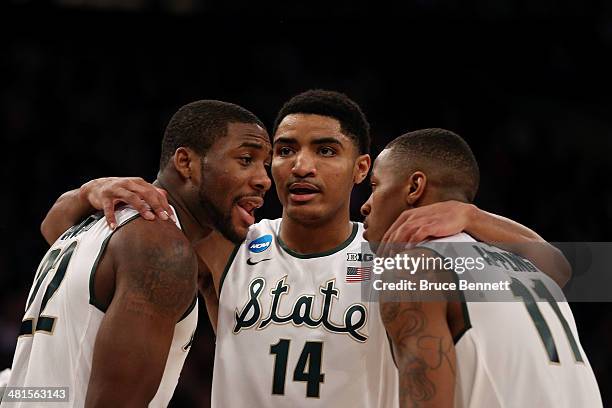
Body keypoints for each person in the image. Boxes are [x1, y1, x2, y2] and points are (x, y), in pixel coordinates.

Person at [40, 90, 570, 406]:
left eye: (326, 150)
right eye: (286, 150)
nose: (302, 165)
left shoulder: (393, 260)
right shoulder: (227, 249)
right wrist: (89, 190)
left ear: (362, 170)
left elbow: (565, 270)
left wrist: (473, 216)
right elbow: (63, 240)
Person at [2, 100, 272, 407]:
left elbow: (51, 226)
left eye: (265, 165)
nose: (264, 179)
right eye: (246, 159)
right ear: (186, 163)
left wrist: (87, 191)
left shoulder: (96, 225)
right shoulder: (161, 248)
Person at [361, 128, 602, 407]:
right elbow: (561, 267)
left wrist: (470, 215)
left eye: (374, 186)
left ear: (415, 187)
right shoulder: (528, 266)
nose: (366, 205)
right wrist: (472, 215)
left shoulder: (413, 269)